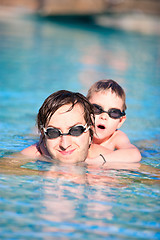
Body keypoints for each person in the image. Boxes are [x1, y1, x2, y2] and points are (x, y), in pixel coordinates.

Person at [21, 90, 112, 164]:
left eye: (76, 131)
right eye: (53, 132)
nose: (65, 145)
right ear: (44, 137)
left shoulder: (106, 158)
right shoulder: (36, 154)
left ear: (90, 130)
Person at [85, 79, 141, 164]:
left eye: (114, 112)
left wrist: (96, 161)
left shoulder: (116, 137)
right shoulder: (81, 131)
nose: (104, 116)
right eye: (96, 109)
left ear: (120, 121)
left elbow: (135, 154)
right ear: (85, 110)